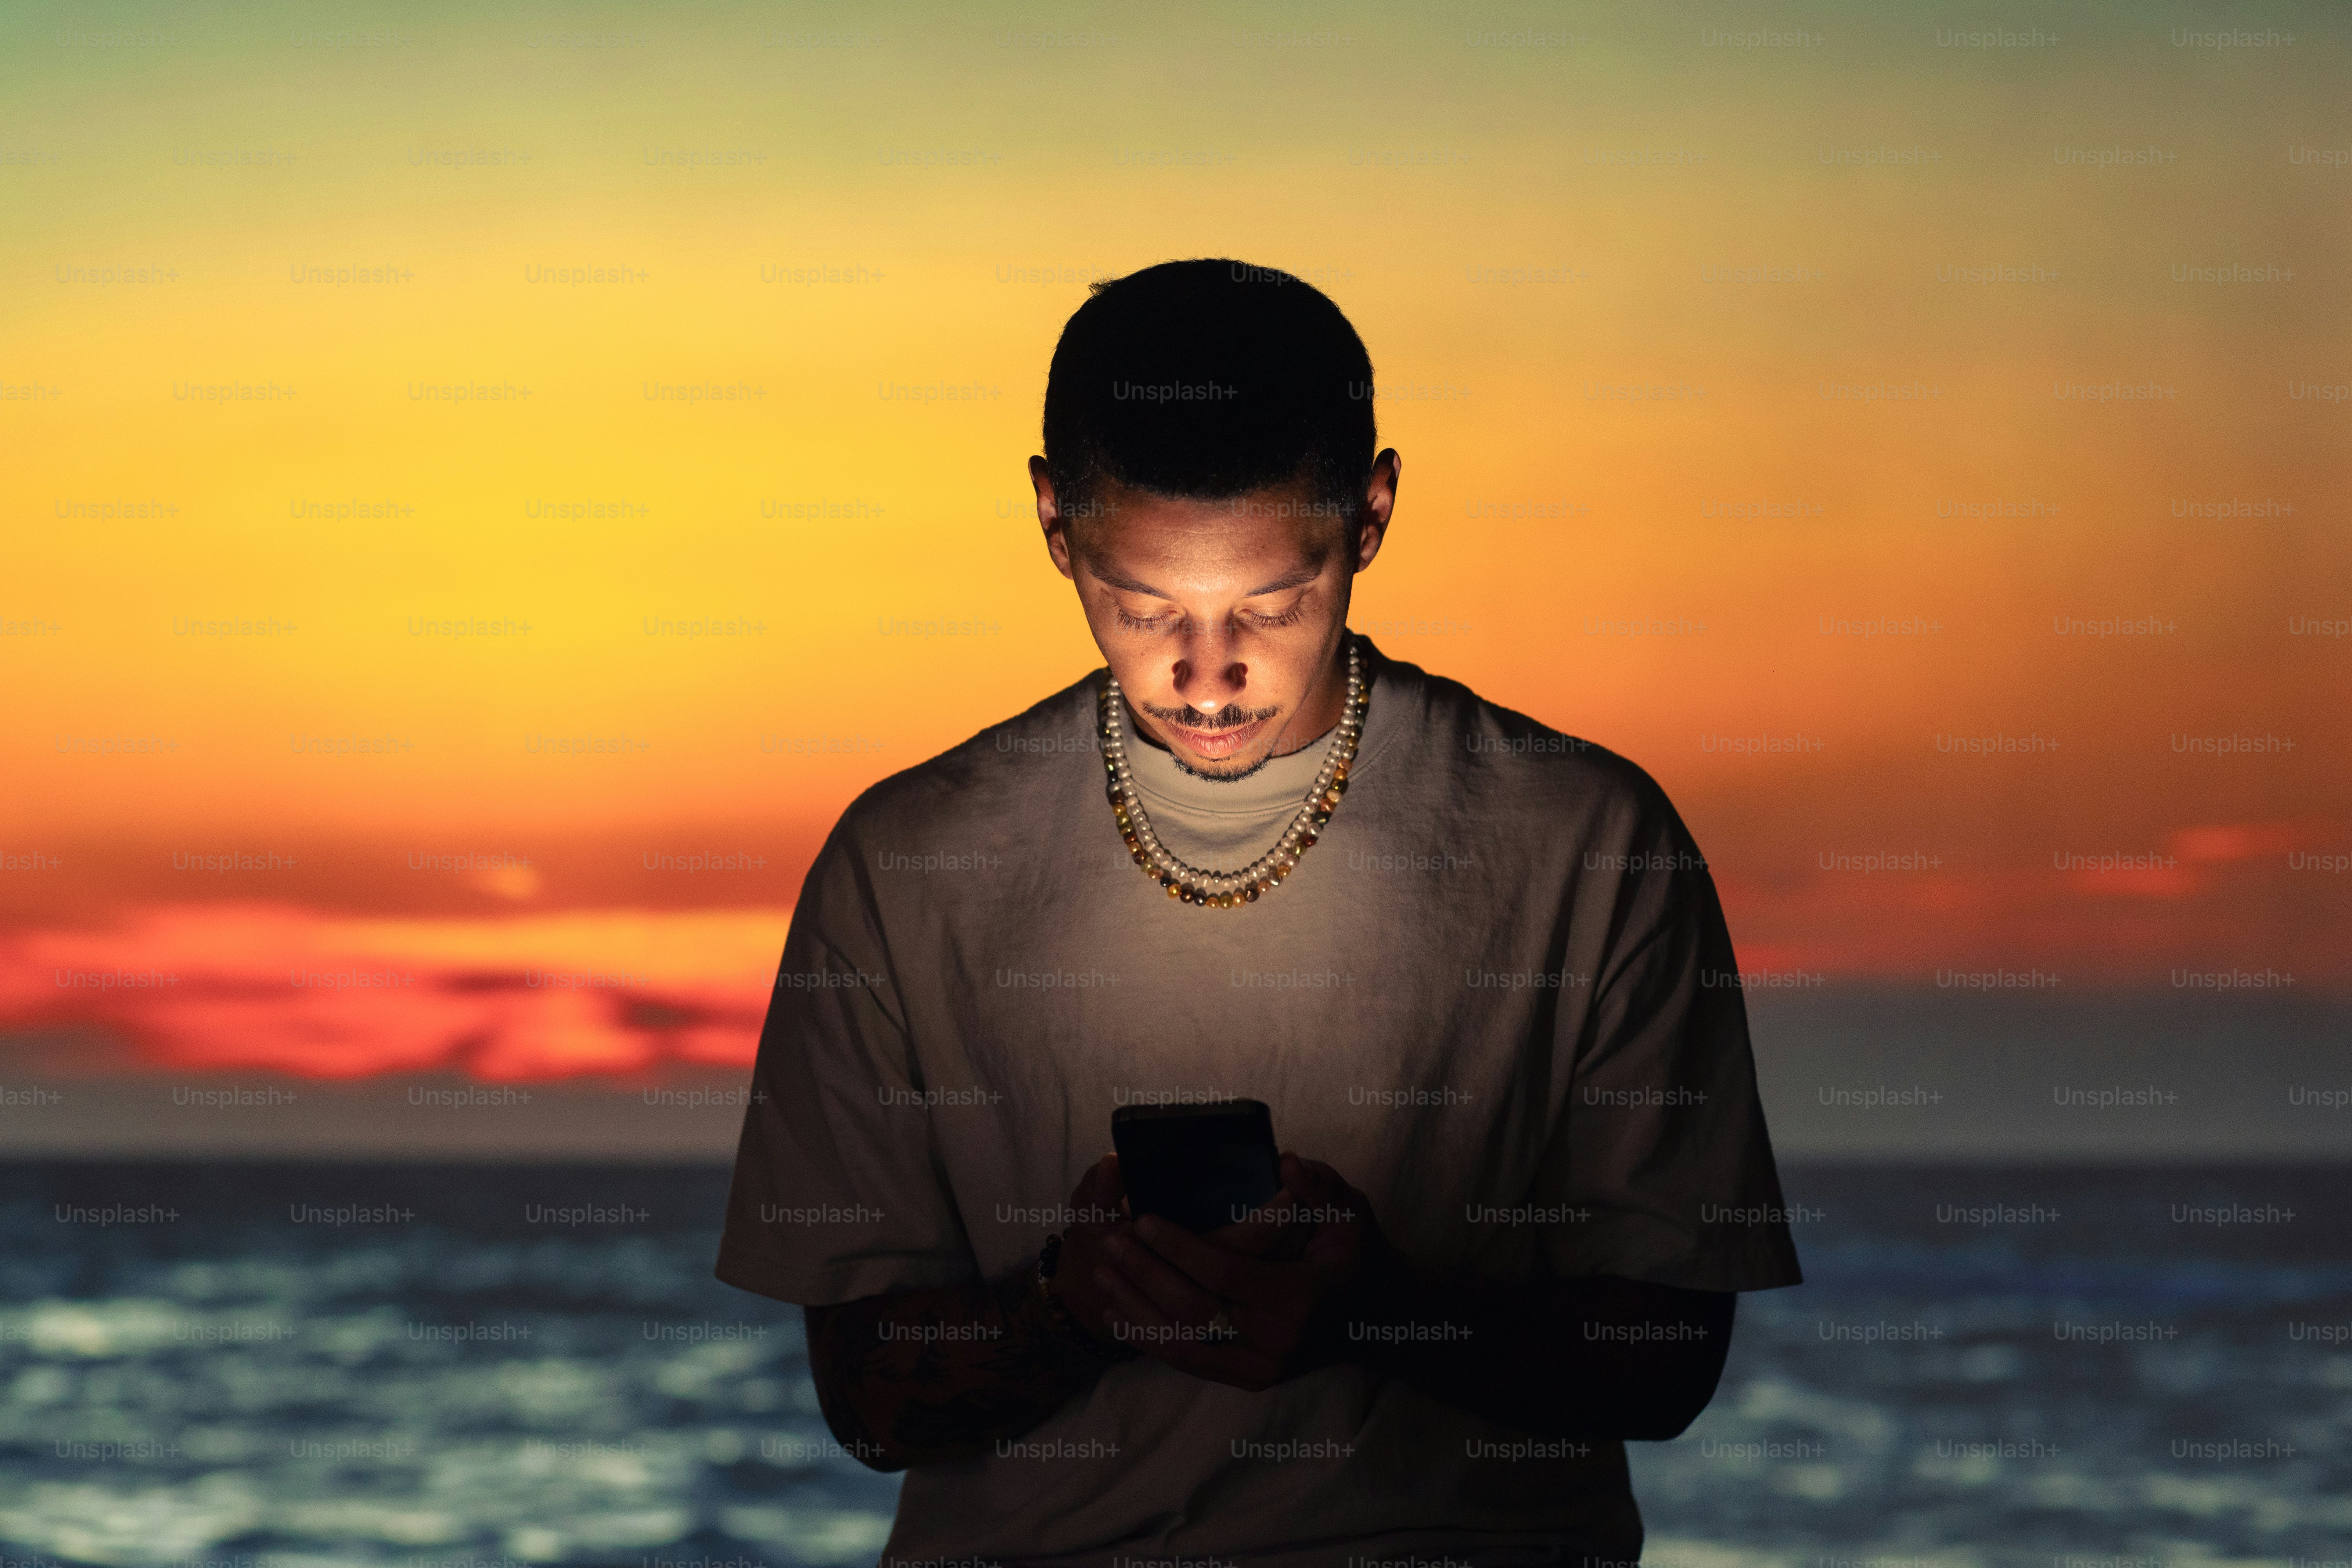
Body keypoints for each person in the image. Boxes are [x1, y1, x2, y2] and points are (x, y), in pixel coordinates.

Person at [717, 258, 1802, 1567]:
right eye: (1142, 604)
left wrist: (1379, 1311)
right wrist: (1074, 1308)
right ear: (1054, 524)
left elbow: (1669, 1362)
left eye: (1273, 603)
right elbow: (865, 1398)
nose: (1207, 673)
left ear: (1373, 515)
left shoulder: (1594, 839)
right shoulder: (900, 862)